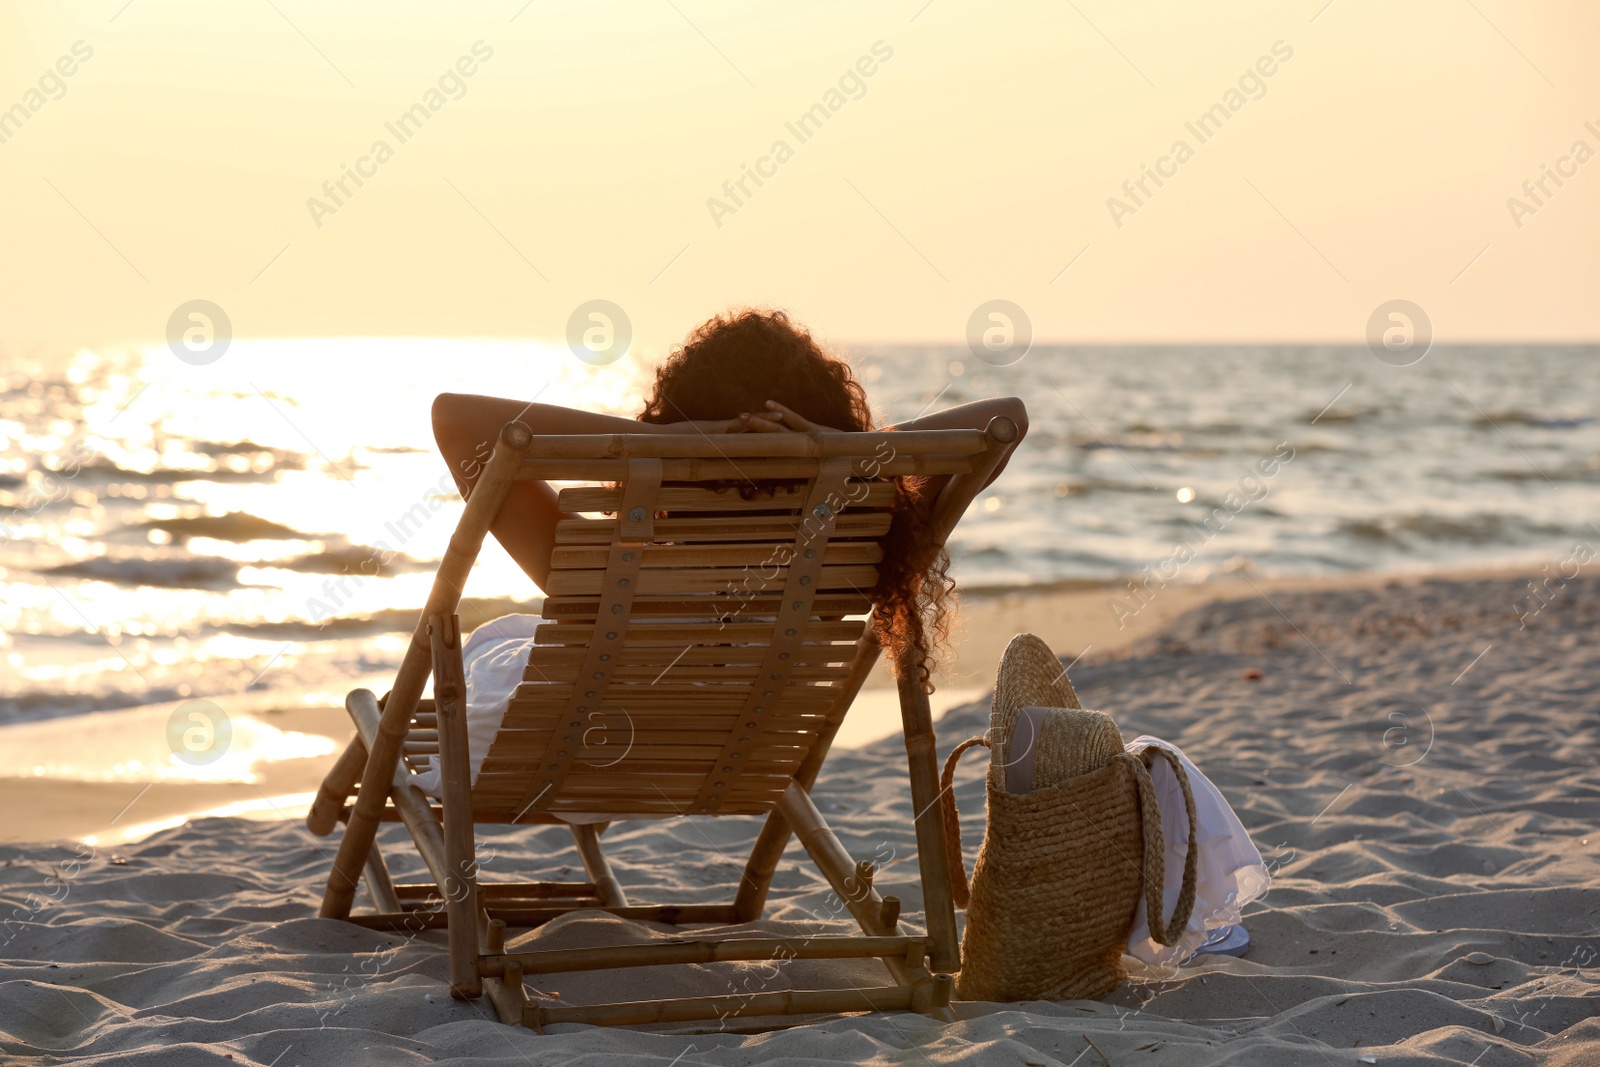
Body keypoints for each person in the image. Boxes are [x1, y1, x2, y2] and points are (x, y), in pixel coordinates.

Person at [418, 309, 1026, 794]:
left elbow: (454, 418)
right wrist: (838, 450)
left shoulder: (605, 580)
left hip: (563, 750)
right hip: (747, 752)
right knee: (509, 640)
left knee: (494, 646)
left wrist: (662, 442)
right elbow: (1007, 418)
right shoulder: (853, 554)